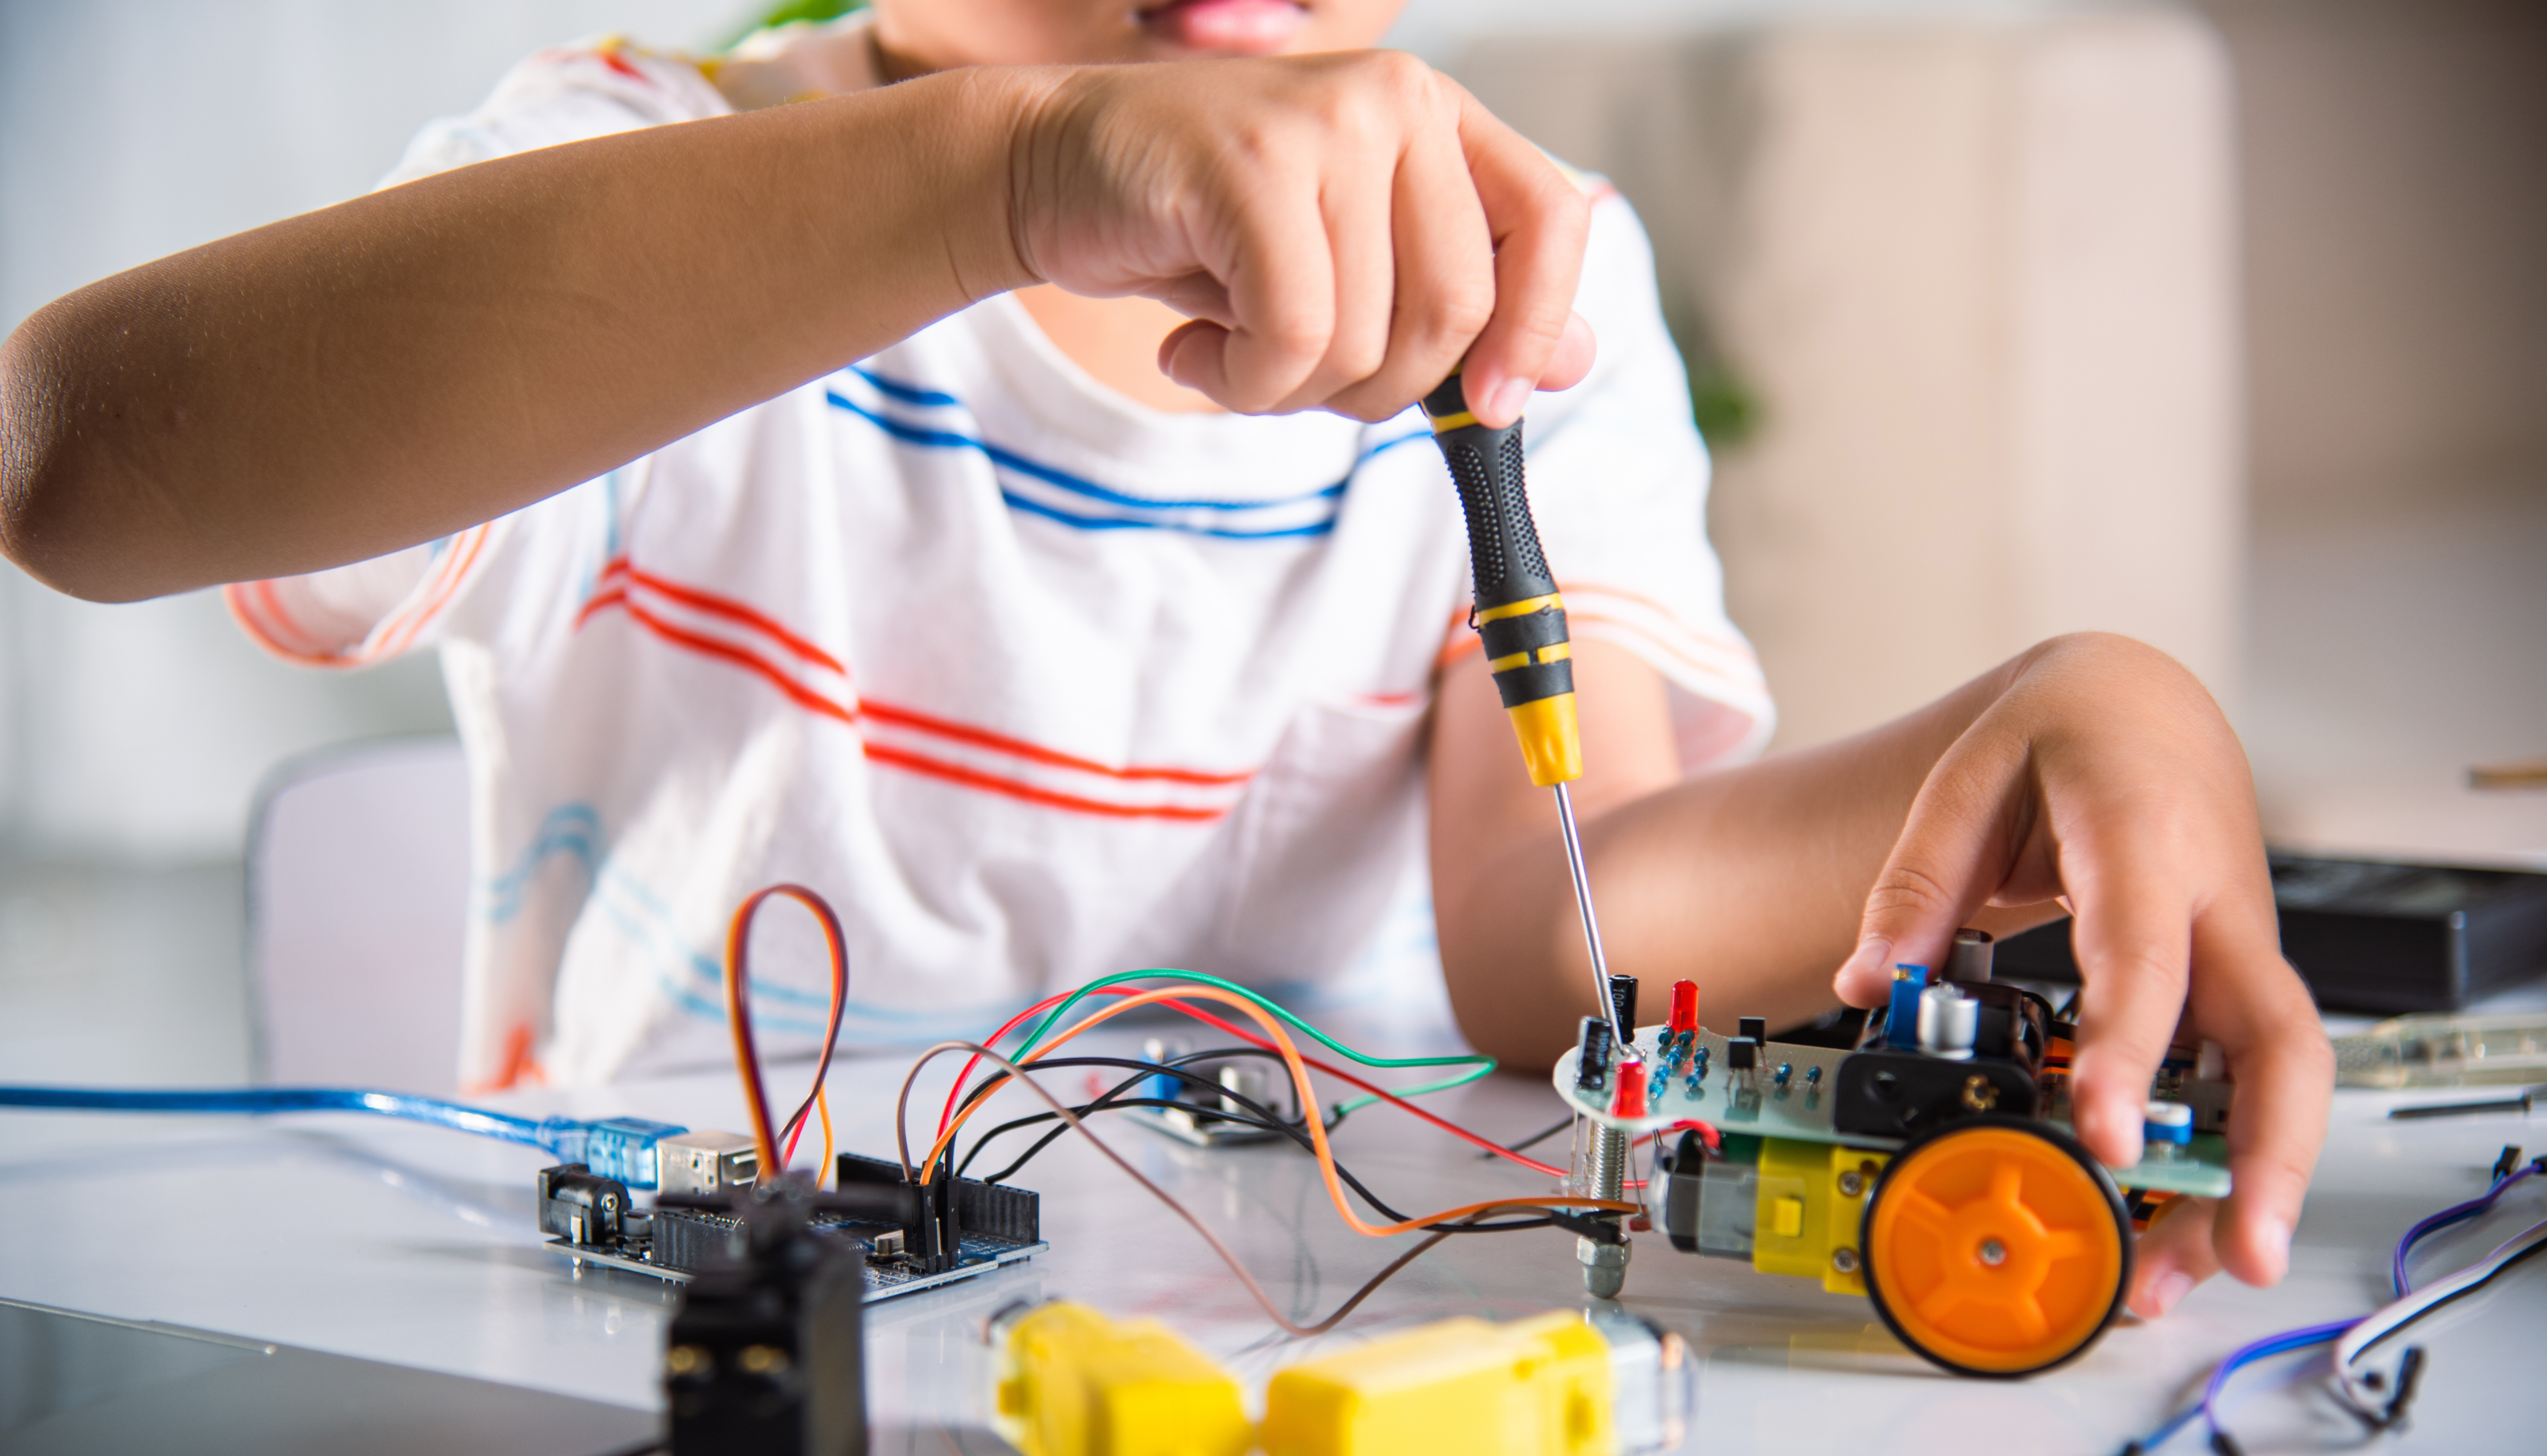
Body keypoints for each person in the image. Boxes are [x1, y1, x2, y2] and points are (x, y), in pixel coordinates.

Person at [0, 0, 2325, 1319]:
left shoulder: (1531, 289)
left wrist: (2058, 717)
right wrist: (995, 183)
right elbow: (72, 459)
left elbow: (1573, 936)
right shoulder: (624, 189)